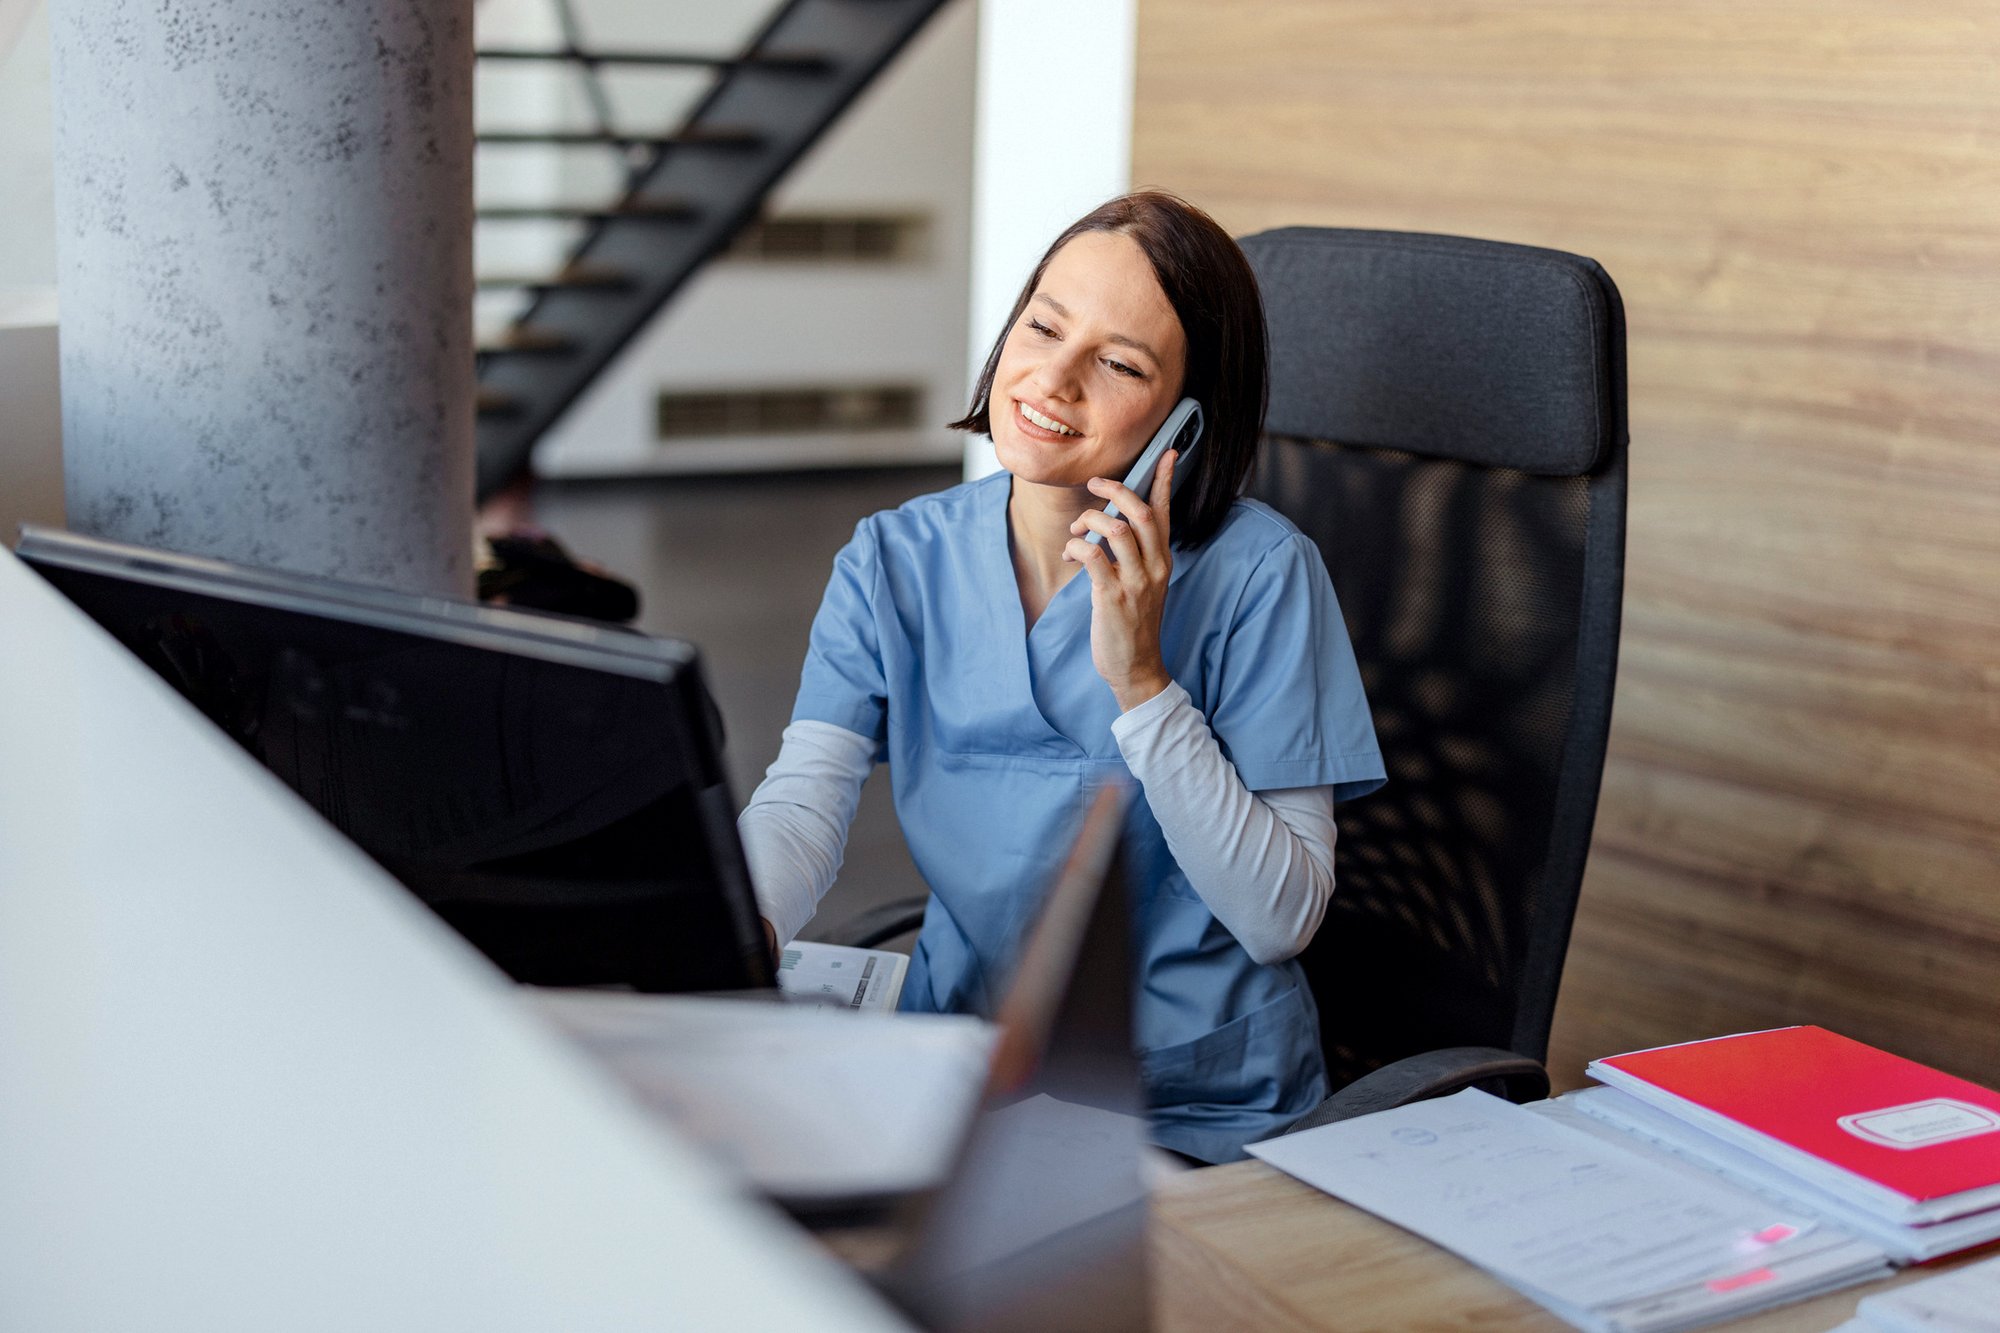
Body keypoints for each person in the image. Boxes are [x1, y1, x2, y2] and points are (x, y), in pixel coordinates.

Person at [739, 191, 1385, 1163]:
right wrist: (731, 928)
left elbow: (1280, 915)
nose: (1052, 376)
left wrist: (1143, 686)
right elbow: (802, 805)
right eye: (1042, 325)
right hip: (962, 1073)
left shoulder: (1261, 576)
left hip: (1187, 1108)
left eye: (1119, 364)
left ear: (1185, 421)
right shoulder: (893, 560)